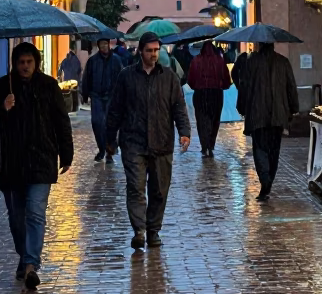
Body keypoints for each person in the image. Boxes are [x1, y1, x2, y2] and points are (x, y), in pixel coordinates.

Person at [0, 42, 74, 290]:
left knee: (36, 215)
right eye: (20, 62)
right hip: (11, 163)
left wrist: (66, 153)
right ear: (14, 64)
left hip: (41, 160)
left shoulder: (48, 86)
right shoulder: (1, 87)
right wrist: (2, 109)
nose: (24, 67)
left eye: (29, 62)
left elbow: (61, 121)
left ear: (35, 63)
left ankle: (30, 265)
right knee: (17, 218)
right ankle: (24, 255)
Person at [106, 32, 191, 249]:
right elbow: (115, 109)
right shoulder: (127, 77)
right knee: (135, 187)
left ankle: (153, 230)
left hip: (162, 142)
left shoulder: (169, 77)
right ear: (140, 51)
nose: (154, 55)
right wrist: (110, 138)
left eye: (156, 50)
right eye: (149, 51)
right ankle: (139, 231)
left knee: (159, 190)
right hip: (133, 141)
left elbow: (179, 108)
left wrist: (184, 132)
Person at [236, 42, 298, 201]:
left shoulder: (251, 63)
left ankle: (265, 179)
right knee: (274, 149)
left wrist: (242, 107)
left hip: (257, 114)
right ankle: (268, 179)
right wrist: (293, 108)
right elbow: (291, 86)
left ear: (259, 45)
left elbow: (243, 87)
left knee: (260, 148)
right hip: (278, 114)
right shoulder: (283, 62)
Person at [81, 38, 124, 163]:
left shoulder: (116, 60)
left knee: (110, 125)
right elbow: (86, 78)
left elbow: (122, 79)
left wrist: (122, 96)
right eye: (101, 44)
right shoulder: (92, 61)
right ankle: (101, 148)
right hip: (96, 96)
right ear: (98, 46)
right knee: (96, 122)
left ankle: (109, 152)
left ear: (109, 44)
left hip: (111, 95)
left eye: (105, 44)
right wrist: (85, 94)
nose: (104, 46)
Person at [187, 41, 232, 158]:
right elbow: (226, 78)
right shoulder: (219, 60)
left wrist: (196, 86)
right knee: (214, 119)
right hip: (216, 93)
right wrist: (224, 85)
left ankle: (204, 145)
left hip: (200, 93)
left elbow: (191, 79)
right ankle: (211, 144)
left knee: (201, 120)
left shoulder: (196, 60)